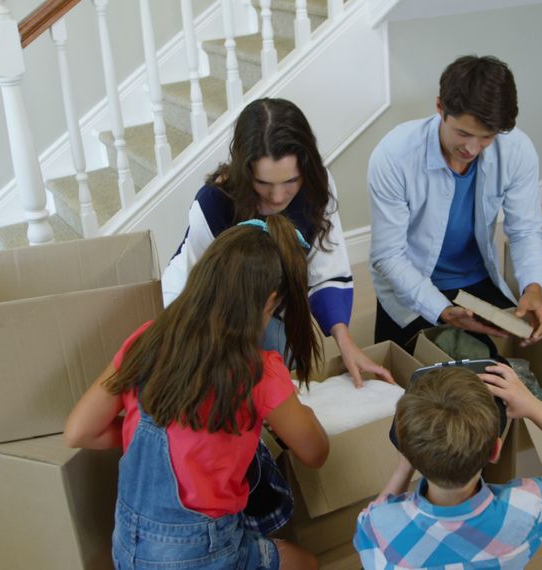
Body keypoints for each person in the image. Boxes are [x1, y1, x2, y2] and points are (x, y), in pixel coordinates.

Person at [65, 216, 329, 569]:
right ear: (268, 303)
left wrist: (145, 432)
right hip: (201, 550)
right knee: (306, 562)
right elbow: (315, 453)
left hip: (128, 546)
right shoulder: (260, 371)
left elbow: (79, 431)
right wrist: (301, 415)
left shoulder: (148, 338)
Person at [163, 97, 392, 388]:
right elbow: (198, 296)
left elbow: (326, 266)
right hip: (203, 306)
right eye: (264, 184)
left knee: (281, 381)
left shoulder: (318, 186)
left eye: (290, 182)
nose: (278, 197)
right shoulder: (213, 204)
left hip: (271, 304)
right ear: (245, 172)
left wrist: (346, 342)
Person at [368, 55, 542, 354]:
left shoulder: (517, 150)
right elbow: (388, 256)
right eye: (463, 134)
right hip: (410, 282)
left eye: (486, 138)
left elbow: (525, 230)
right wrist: (442, 310)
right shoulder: (394, 155)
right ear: (440, 108)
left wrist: (533, 286)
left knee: (502, 364)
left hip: (474, 280)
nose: (472, 149)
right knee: (414, 383)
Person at [353, 364, 542, 569]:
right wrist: (535, 408)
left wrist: (404, 467)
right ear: (496, 451)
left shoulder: (377, 526)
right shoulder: (526, 506)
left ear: (405, 449)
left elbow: (372, 519)